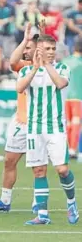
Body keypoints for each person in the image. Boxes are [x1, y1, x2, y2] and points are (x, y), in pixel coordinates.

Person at [17, 35, 79, 225]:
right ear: (39, 50)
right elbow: (20, 88)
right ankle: (42, 214)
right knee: (39, 170)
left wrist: (46, 65)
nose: (51, 52)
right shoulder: (27, 70)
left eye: (53, 49)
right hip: (35, 128)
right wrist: (36, 67)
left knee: (62, 169)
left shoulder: (62, 68)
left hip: (56, 128)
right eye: (48, 49)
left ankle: (71, 203)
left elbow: (60, 84)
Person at [0, 23, 38, 214]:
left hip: (38, 123)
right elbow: (12, 62)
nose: (25, 51)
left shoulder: (48, 69)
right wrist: (24, 40)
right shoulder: (24, 68)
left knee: (37, 166)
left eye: (29, 48)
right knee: (9, 161)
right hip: (20, 123)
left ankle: (38, 203)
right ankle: (4, 201)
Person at [62, 38, 82, 160]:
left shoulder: (65, 61)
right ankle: (73, 149)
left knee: (67, 123)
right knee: (76, 123)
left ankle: (66, 148)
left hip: (65, 96)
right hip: (78, 97)